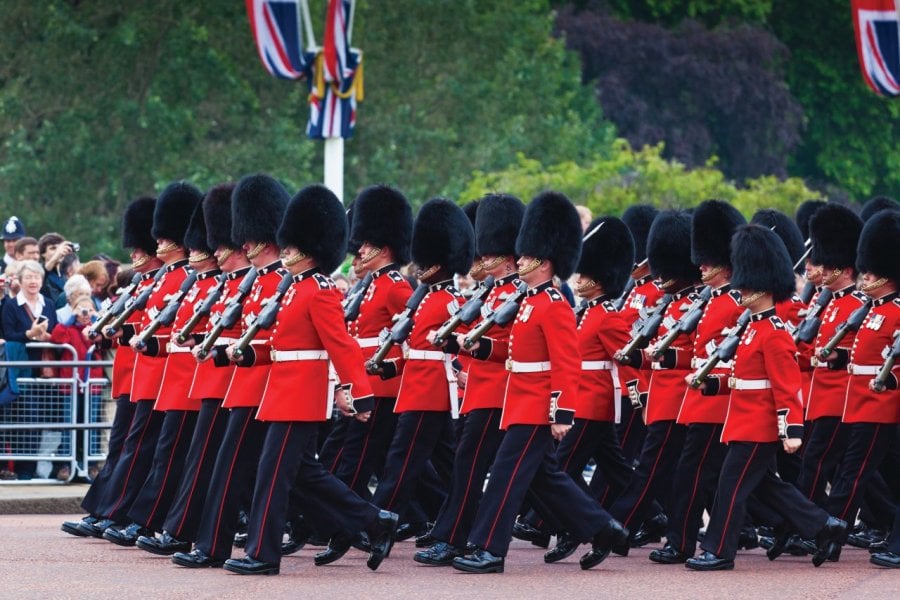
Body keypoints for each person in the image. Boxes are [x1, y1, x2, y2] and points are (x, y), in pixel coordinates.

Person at [222, 184, 398, 575]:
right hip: (280, 392)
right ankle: (376, 521)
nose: (282, 251)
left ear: (308, 248)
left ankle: (263, 555)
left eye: (289, 246)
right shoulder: (292, 289)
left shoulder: (320, 290)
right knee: (306, 475)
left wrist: (360, 394)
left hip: (301, 396)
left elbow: (343, 347)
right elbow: (280, 345)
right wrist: (248, 353)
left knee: (272, 475)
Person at [452, 191, 627, 574]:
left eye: (529, 257)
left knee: (506, 474)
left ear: (545, 263)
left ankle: (490, 549)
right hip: (519, 399)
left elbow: (568, 362)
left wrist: (562, 410)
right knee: (546, 478)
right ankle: (604, 528)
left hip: (537, 405)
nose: (522, 261)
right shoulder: (529, 302)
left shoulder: (552, 304)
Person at [685, 224, 847, 571]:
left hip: (757, 426)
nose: (740, 289)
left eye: (746, 283)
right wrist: (713, 384)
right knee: (767, 488)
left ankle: (719, 550)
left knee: (731, 486)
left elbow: (786, 386)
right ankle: (825, 525)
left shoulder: (773, 333)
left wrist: (791, 429)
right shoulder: (752, 328)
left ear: (763, 286)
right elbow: (744, 378)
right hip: (742, 421)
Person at [172, 173, 289, 569]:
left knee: (242, 469)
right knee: (266, 471)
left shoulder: (279, 282)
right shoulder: (253, 283)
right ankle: (370, 522)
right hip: (240, 383)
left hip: (265, 385)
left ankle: (214, 545)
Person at [415, 193, 525, 565]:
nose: (481, 258)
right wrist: (455, 342)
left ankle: (454, 537)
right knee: (543, 479)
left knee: (468, 466)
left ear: (506, 254)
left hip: (497, 393)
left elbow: (509, 347)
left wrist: (471, 347)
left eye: (488, 251)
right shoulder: (491, 291)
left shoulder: (517, 294)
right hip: (477, 389)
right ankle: (600, 527)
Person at [367, 198, 474, 541]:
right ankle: (460, 522)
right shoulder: (426, 296)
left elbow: (454, 347)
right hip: (419, 386)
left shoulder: (449, 300)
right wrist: (389, 367)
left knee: (402, 462)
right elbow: (416, 351)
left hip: (431, 391)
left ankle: (373, 524)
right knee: (448, 464)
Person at [317, 185, 414, 563]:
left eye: (366, 244)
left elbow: (410, 342)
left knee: (351, 466)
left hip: (379, 390)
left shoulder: (395, 287)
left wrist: (379, 375)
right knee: (344, 463)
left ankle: (348, 534)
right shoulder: (371, 284)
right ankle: (357, 530)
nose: (359, 251)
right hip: (360, 385)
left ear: (384, 246)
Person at [649, 200, 747, 564]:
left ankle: (681, 542)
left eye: (707, 259)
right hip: (700, 401)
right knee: (748, 482)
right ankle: (820, 524)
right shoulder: (710, 300)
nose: (700, 265)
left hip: (717, 403)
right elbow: (697, 351)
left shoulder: (736, 301)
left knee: (692, 477)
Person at [821, 208, 899, 558]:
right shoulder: (871, 309)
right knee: (870, 475)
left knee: (852, 473)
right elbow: (863, 356)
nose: (864, 274)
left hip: (880, 403)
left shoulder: (896, 310)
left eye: (871, 268)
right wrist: (838, 359)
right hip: (862, 400)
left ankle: (830, 535)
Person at [0, 259, 59, 480]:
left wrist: (47, 337)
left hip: (44, 370)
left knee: (38, 421)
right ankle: (16, 468)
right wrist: (29, 335)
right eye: (29, 277)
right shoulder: (11, 305)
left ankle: (29, 470)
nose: (33, 281)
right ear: (21, 281)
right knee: (18, 420)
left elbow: (55, 331)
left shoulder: (49, 304)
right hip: (19, 370)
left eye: (36, 277)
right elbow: (8, 335)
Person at [38, 232, 76, 302]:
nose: (59, 251)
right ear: (43, 254)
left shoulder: (65, 274)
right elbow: (45, 271)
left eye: (60, 248)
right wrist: (57, 255)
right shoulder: (40, 271)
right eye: (53, 248)